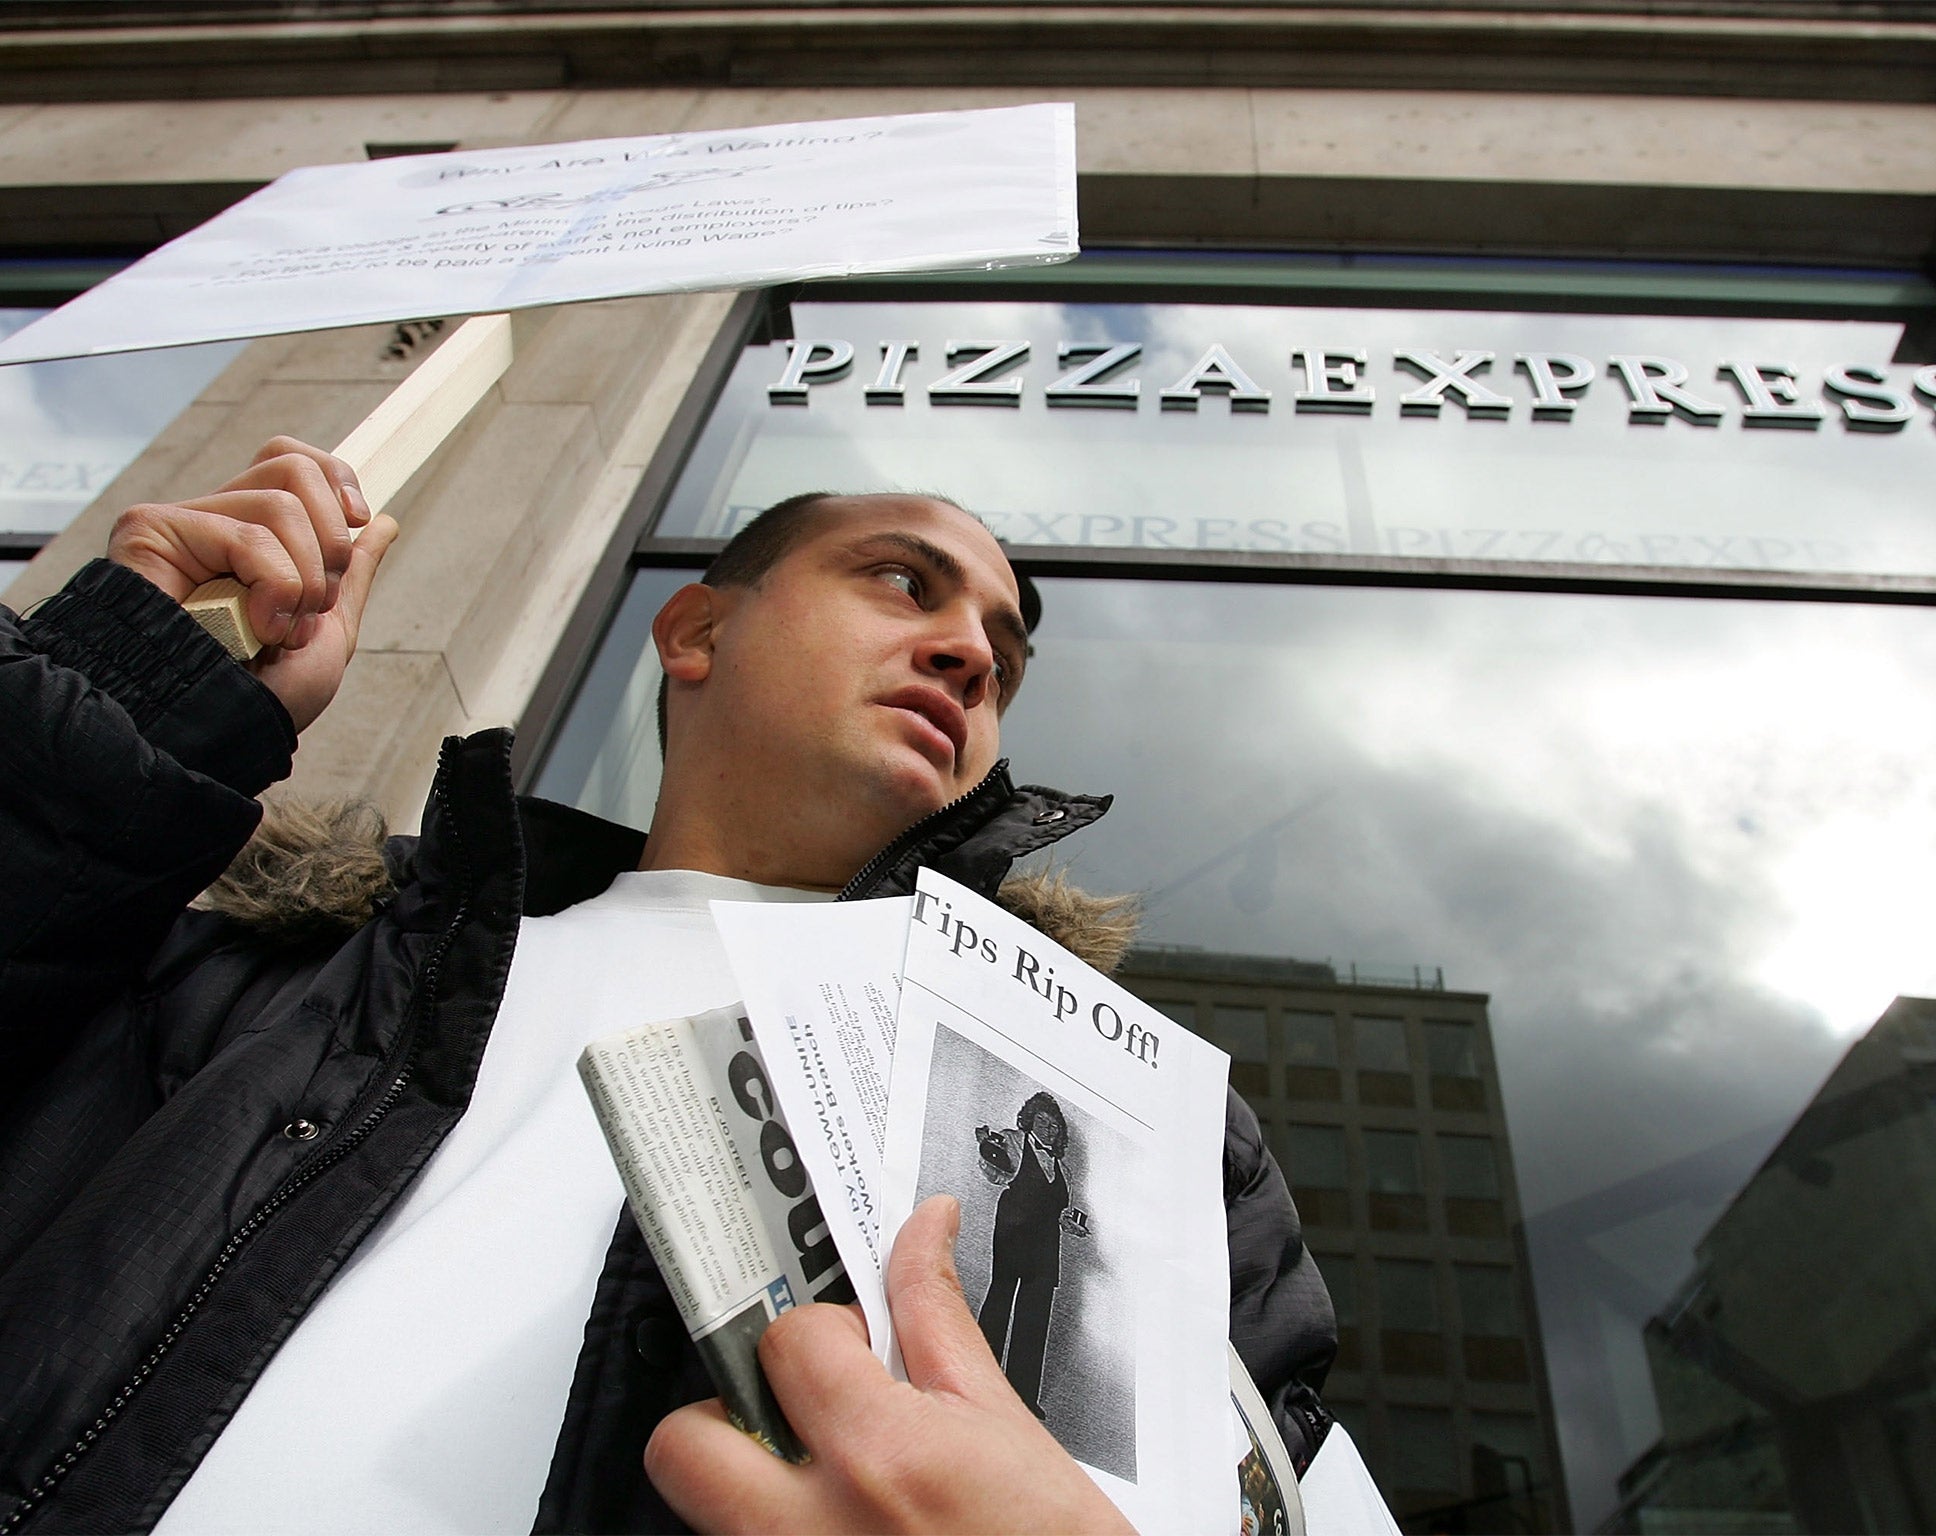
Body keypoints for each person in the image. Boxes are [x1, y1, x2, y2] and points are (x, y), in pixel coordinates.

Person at [0, 436, 1348, 1533]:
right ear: (694, 629)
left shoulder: (1124, 1116)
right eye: (901, 582)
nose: (972, 654)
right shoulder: (289, 966)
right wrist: (121, 695)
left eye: (1003, 647)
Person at [976, 1091, 1084, 1417]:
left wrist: (1068, 1223)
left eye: (1055, 1126)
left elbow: (1060, 1211)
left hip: (1046, 1246)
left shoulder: (1063, 1169)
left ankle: (1022, 1395)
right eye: (1043, 1121)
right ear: (1030, 1119)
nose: (1049, 1130)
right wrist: (987, 1147)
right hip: (1013, 1233)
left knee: (1035, 1318)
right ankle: (979, 1378)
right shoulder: (1013, 1140)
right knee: (1000, 1302)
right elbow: (997, 1170)